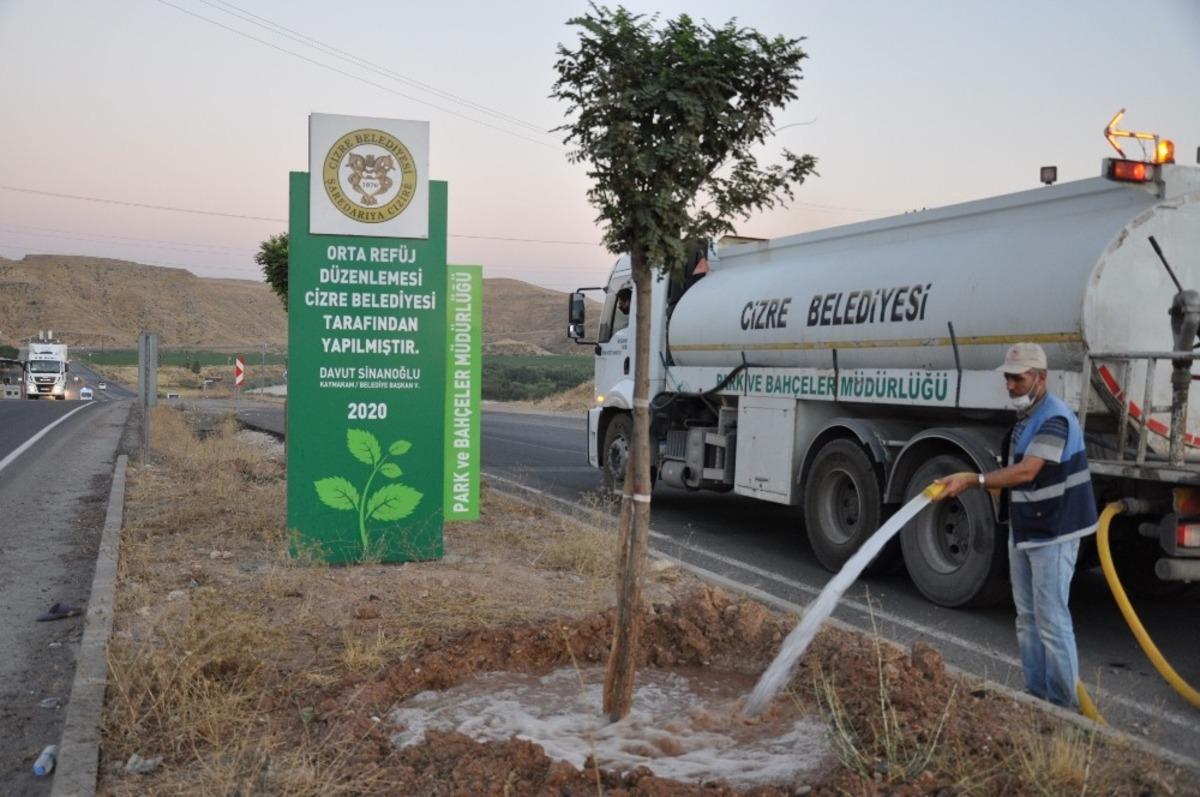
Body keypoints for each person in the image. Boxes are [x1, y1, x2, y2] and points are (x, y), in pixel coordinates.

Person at [931, 342, 1097, 709]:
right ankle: (1038, 697)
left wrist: (972, 480)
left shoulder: (1055, 417)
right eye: (1007, 378)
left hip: (1053, 532)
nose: (1010, 386)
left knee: (1052, 621)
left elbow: (1027, 471)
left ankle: (1064, 708)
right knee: (1027, 618)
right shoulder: (1027, 416)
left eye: (1017, 379)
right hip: (1027, 529)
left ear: (1041, 378)